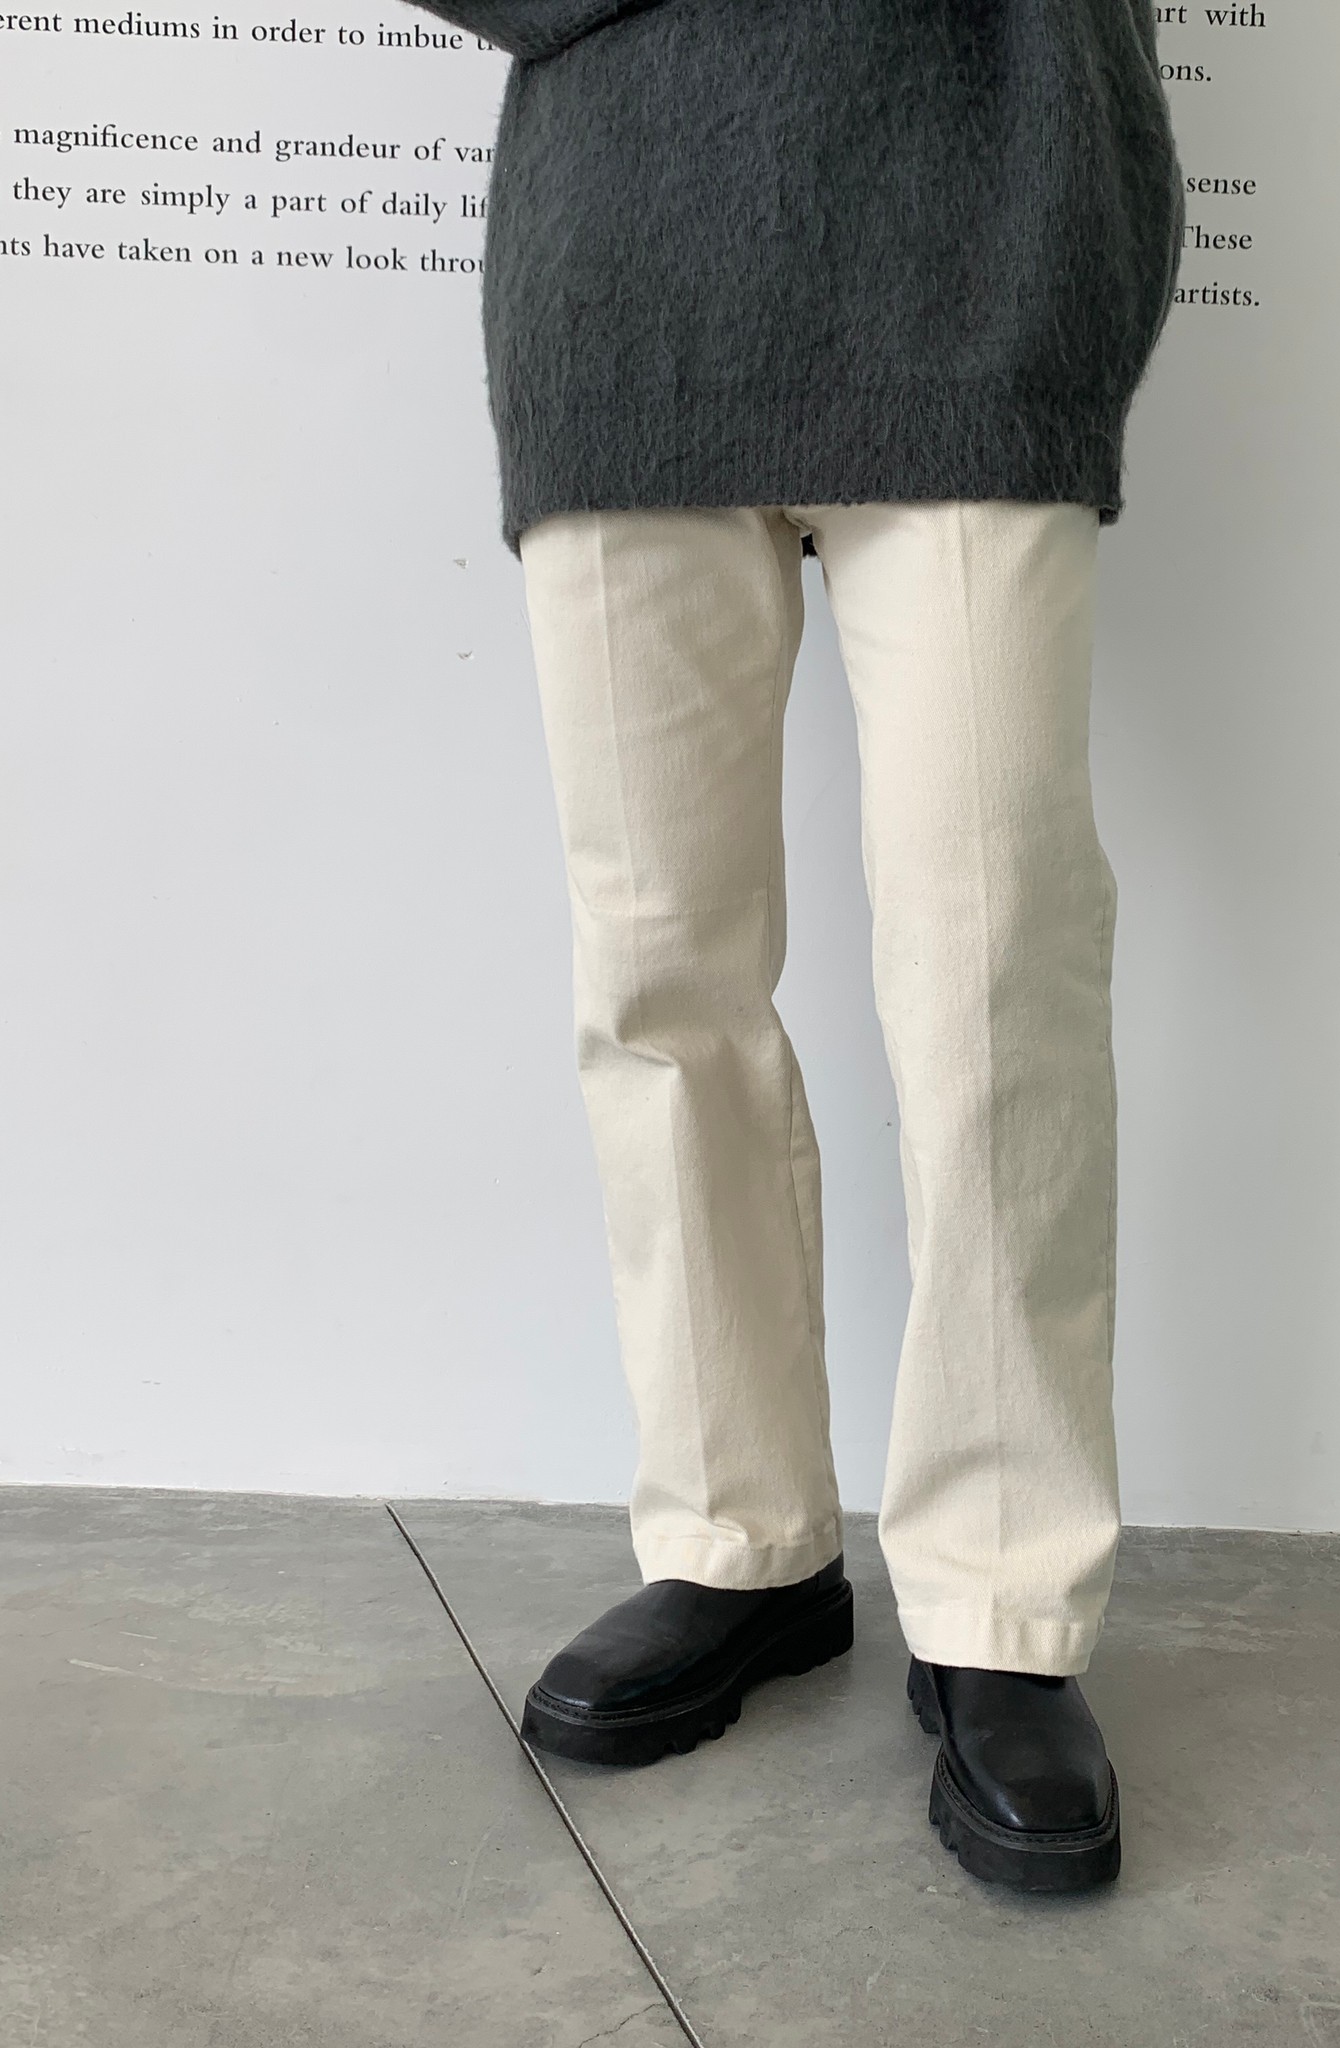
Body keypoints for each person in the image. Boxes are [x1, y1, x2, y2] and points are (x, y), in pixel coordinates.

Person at [399, 0, 1186, 1893]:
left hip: (981, 241)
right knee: (658, 973)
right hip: (625, 278)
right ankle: (736, 1539)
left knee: (994, 964)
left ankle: (1001, 1599)